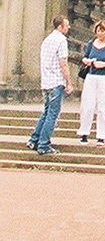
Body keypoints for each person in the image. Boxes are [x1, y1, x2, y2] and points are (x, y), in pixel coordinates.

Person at [27, 14, 71, 155]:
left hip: (46, 81)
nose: (69, 27)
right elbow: (63, 63)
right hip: (56, 81)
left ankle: (34, 139)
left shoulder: (47, 39)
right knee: (52, 114)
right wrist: (69, 82)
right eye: (66, 25)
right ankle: (44, 144)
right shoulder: (61, 40)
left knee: (46, 112)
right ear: (60, 26)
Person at [77, 19, 105, 143]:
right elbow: (85, 56)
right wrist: (87, 61)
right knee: (87, 105)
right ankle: (84, 132)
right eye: (98, 31)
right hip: (92, 76)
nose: (100, 34)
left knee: (104, 107)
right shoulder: (91, 43)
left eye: (103, 31)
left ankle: (102, 135)